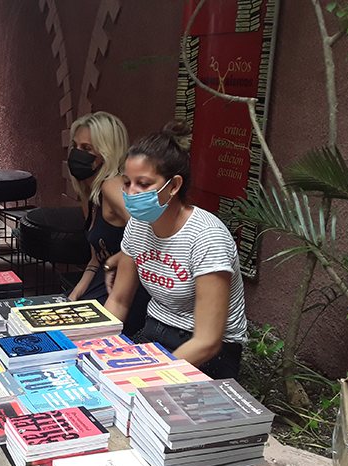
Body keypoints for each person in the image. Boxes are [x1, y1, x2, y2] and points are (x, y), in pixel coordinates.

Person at [103, 121, 247, 379]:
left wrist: (148, 377)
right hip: (154, 331)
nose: (131, 192)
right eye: (127, 182)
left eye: (144, 184)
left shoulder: (207, 237)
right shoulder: (137, 225)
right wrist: (95, 347)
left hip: (207, 352)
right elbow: (119, 300)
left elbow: (208, 340)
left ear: (173, 185)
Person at [65, 112, 149, 337]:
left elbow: (147, 230)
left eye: (87, 149)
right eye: (75, 146)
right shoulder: (89, 194)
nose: (77, 154)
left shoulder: (111, 185)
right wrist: (73, 296)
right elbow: (95, 260)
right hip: (103, 279)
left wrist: (116, 259)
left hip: (128, 288)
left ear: (106, 153)